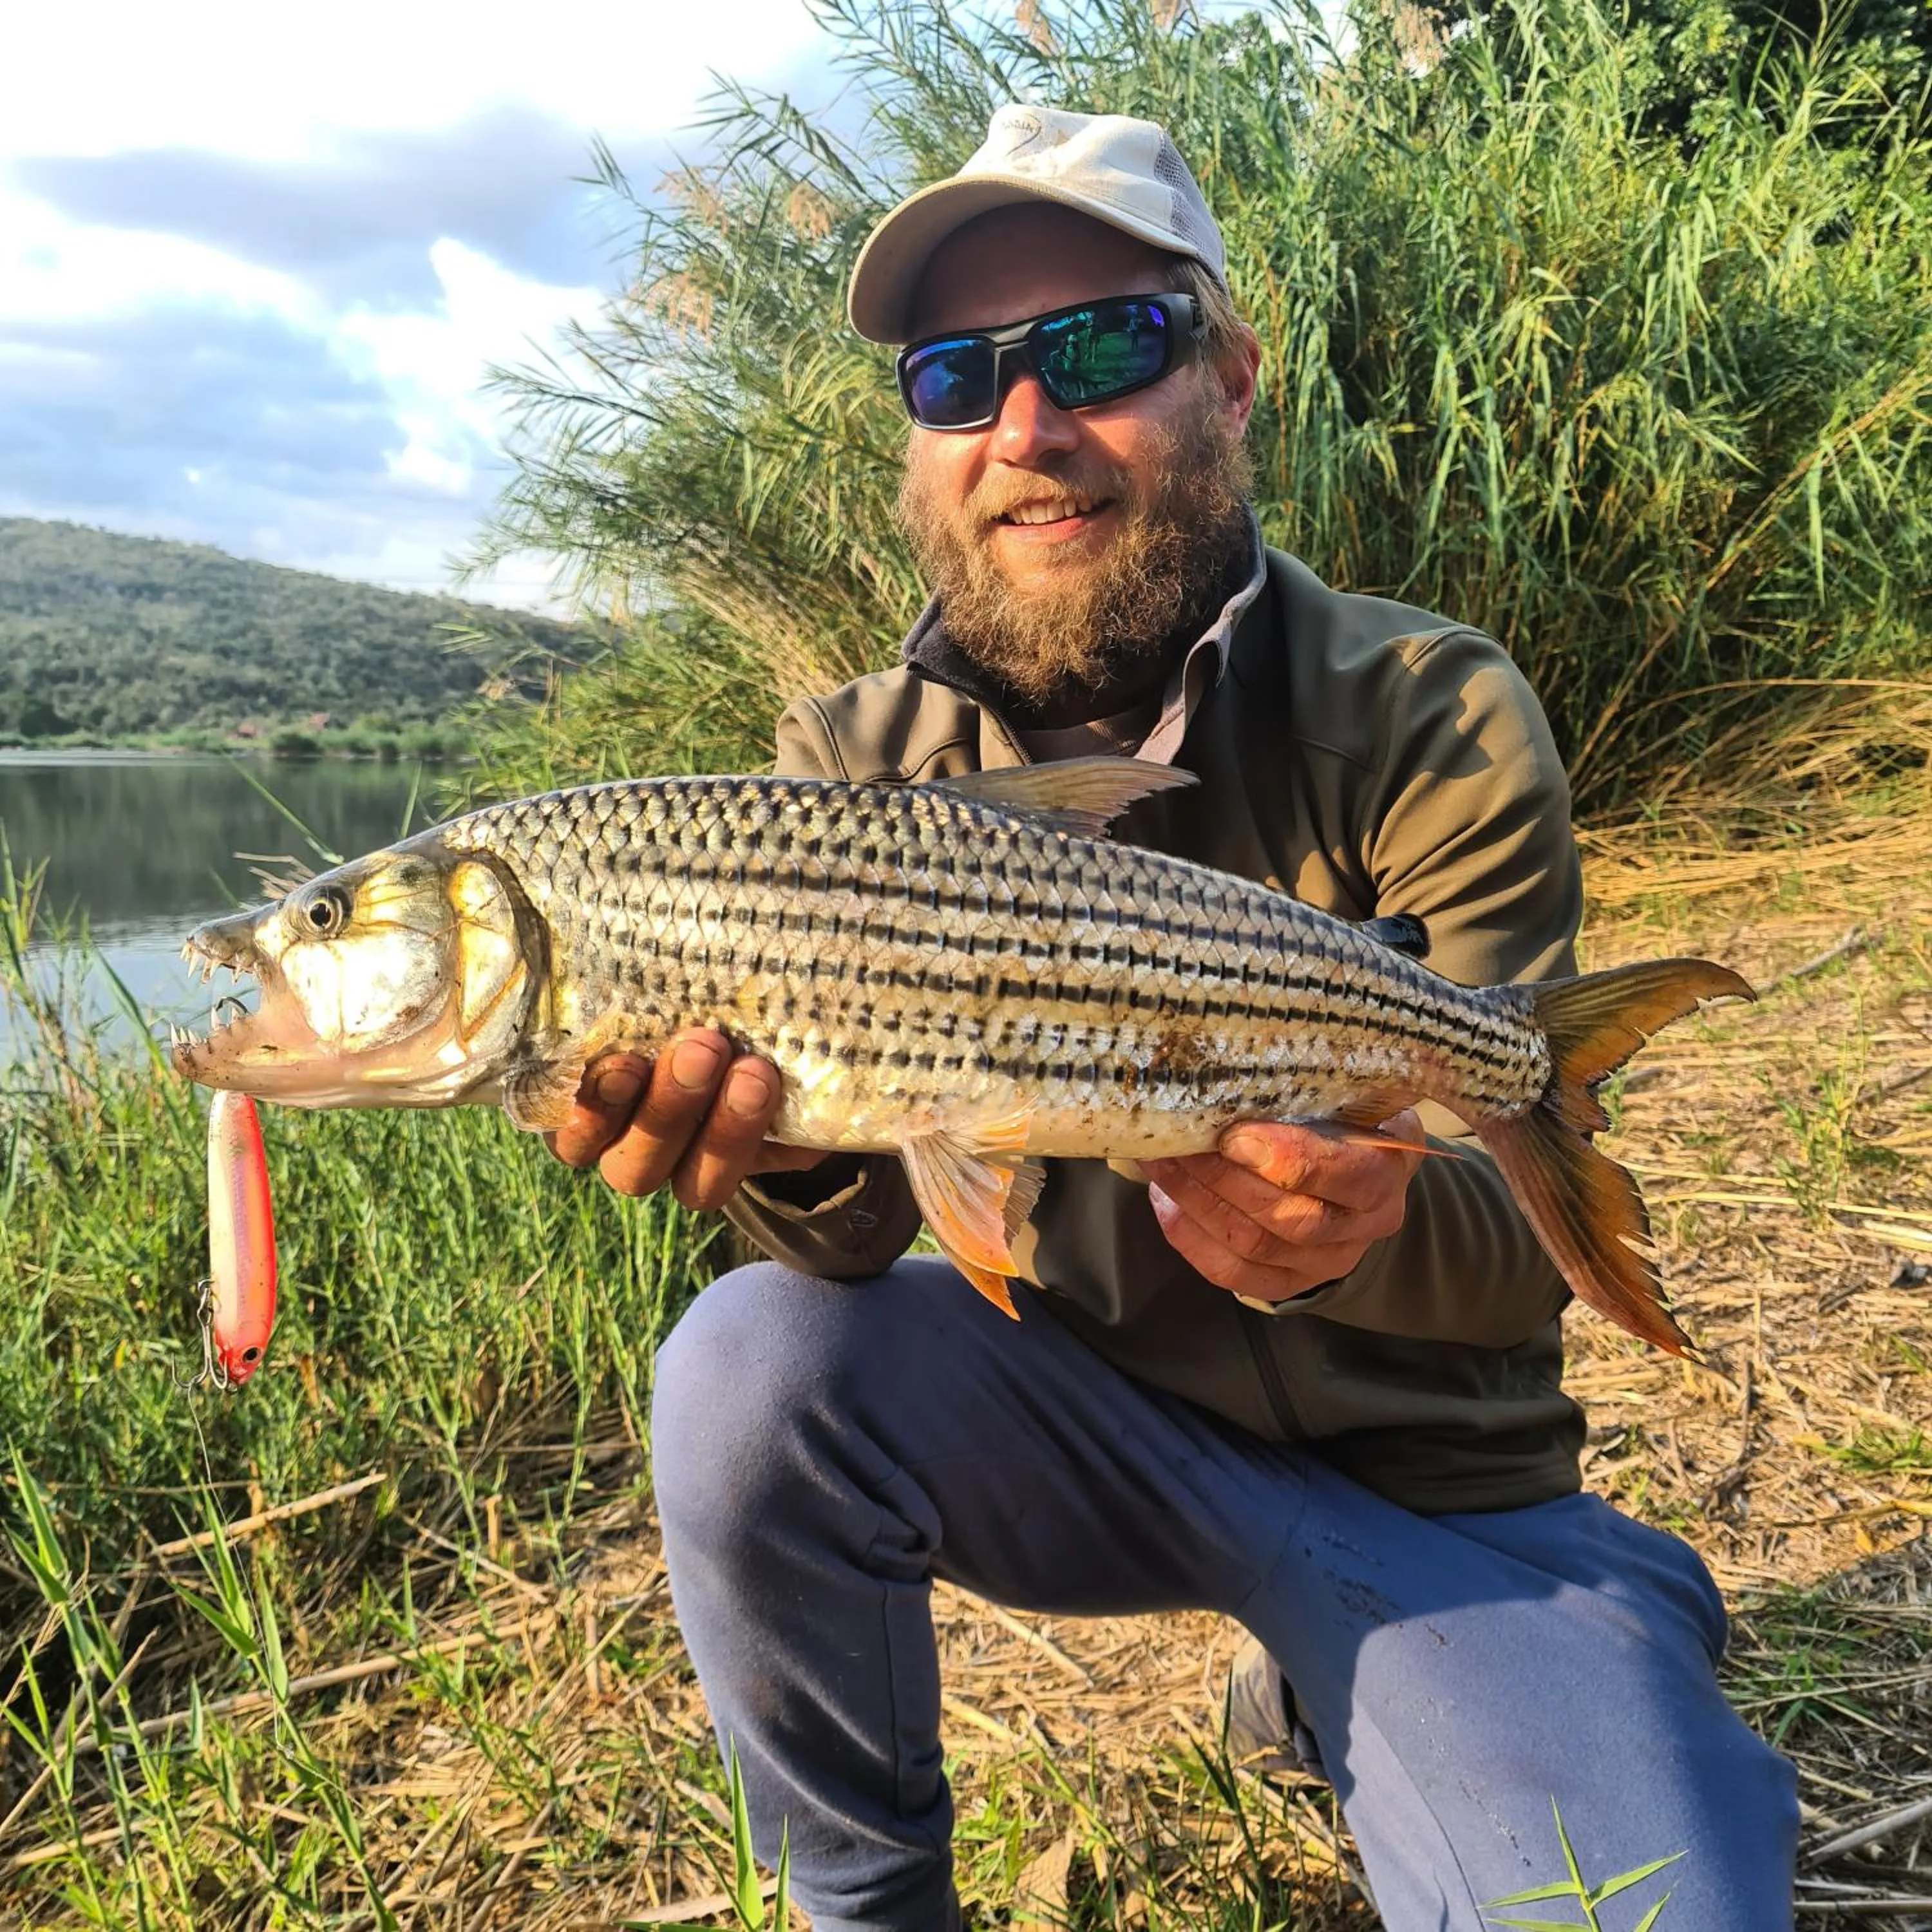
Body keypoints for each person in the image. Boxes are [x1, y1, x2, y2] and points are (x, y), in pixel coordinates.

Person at [547, 106, 1798, 1932]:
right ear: (920, 440)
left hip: (1441, 1495)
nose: (1026, 431)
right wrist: (784, 1177)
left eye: (1106, 348)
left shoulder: (1431, 708)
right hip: (1094, 1434)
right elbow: (875, 1218)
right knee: (744, 1364)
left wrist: (1331, 1242)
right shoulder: (845, 768)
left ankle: (1532, 1637)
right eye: (959, 376)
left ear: (1230, 372)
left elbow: (1518, 1274)